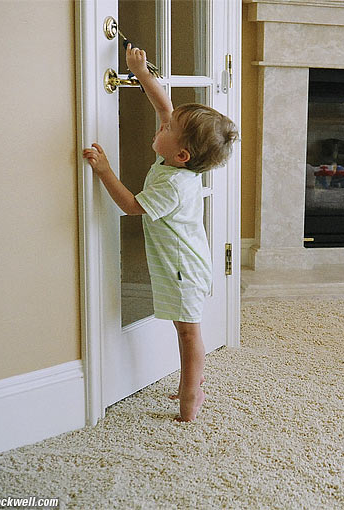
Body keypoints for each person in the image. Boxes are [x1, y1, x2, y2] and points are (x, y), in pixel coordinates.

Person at [83, 44, 238, 422]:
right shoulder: (172, 161)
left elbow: (133, 207)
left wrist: (104, 171)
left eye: (169, 130)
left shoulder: (174, 184)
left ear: (183, 154)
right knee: (182, 328)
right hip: (180, 263)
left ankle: (191, 395)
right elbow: (164, 107)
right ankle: (192, 386)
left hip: (183, 269)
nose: (162, 125)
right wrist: (141, 72)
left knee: (188, 334)